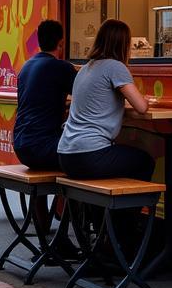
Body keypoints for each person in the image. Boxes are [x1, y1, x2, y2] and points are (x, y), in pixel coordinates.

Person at [57, 19, 155, 182]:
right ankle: (125, 208)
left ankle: (105, 207)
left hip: (65, 155)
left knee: (126, 158)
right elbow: (141, 107)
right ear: (122, 44)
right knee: (145, 162)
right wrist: (146, 99)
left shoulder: (85, 69)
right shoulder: (115, 67)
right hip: (90, 155)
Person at [14, 19, 77, 170]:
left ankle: (56, 194)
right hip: (44, 147)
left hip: (20, 145)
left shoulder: (26, 66)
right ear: (61, 43)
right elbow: (87, 96)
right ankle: (65, 194)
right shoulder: (61, 67)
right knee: (86, 157)